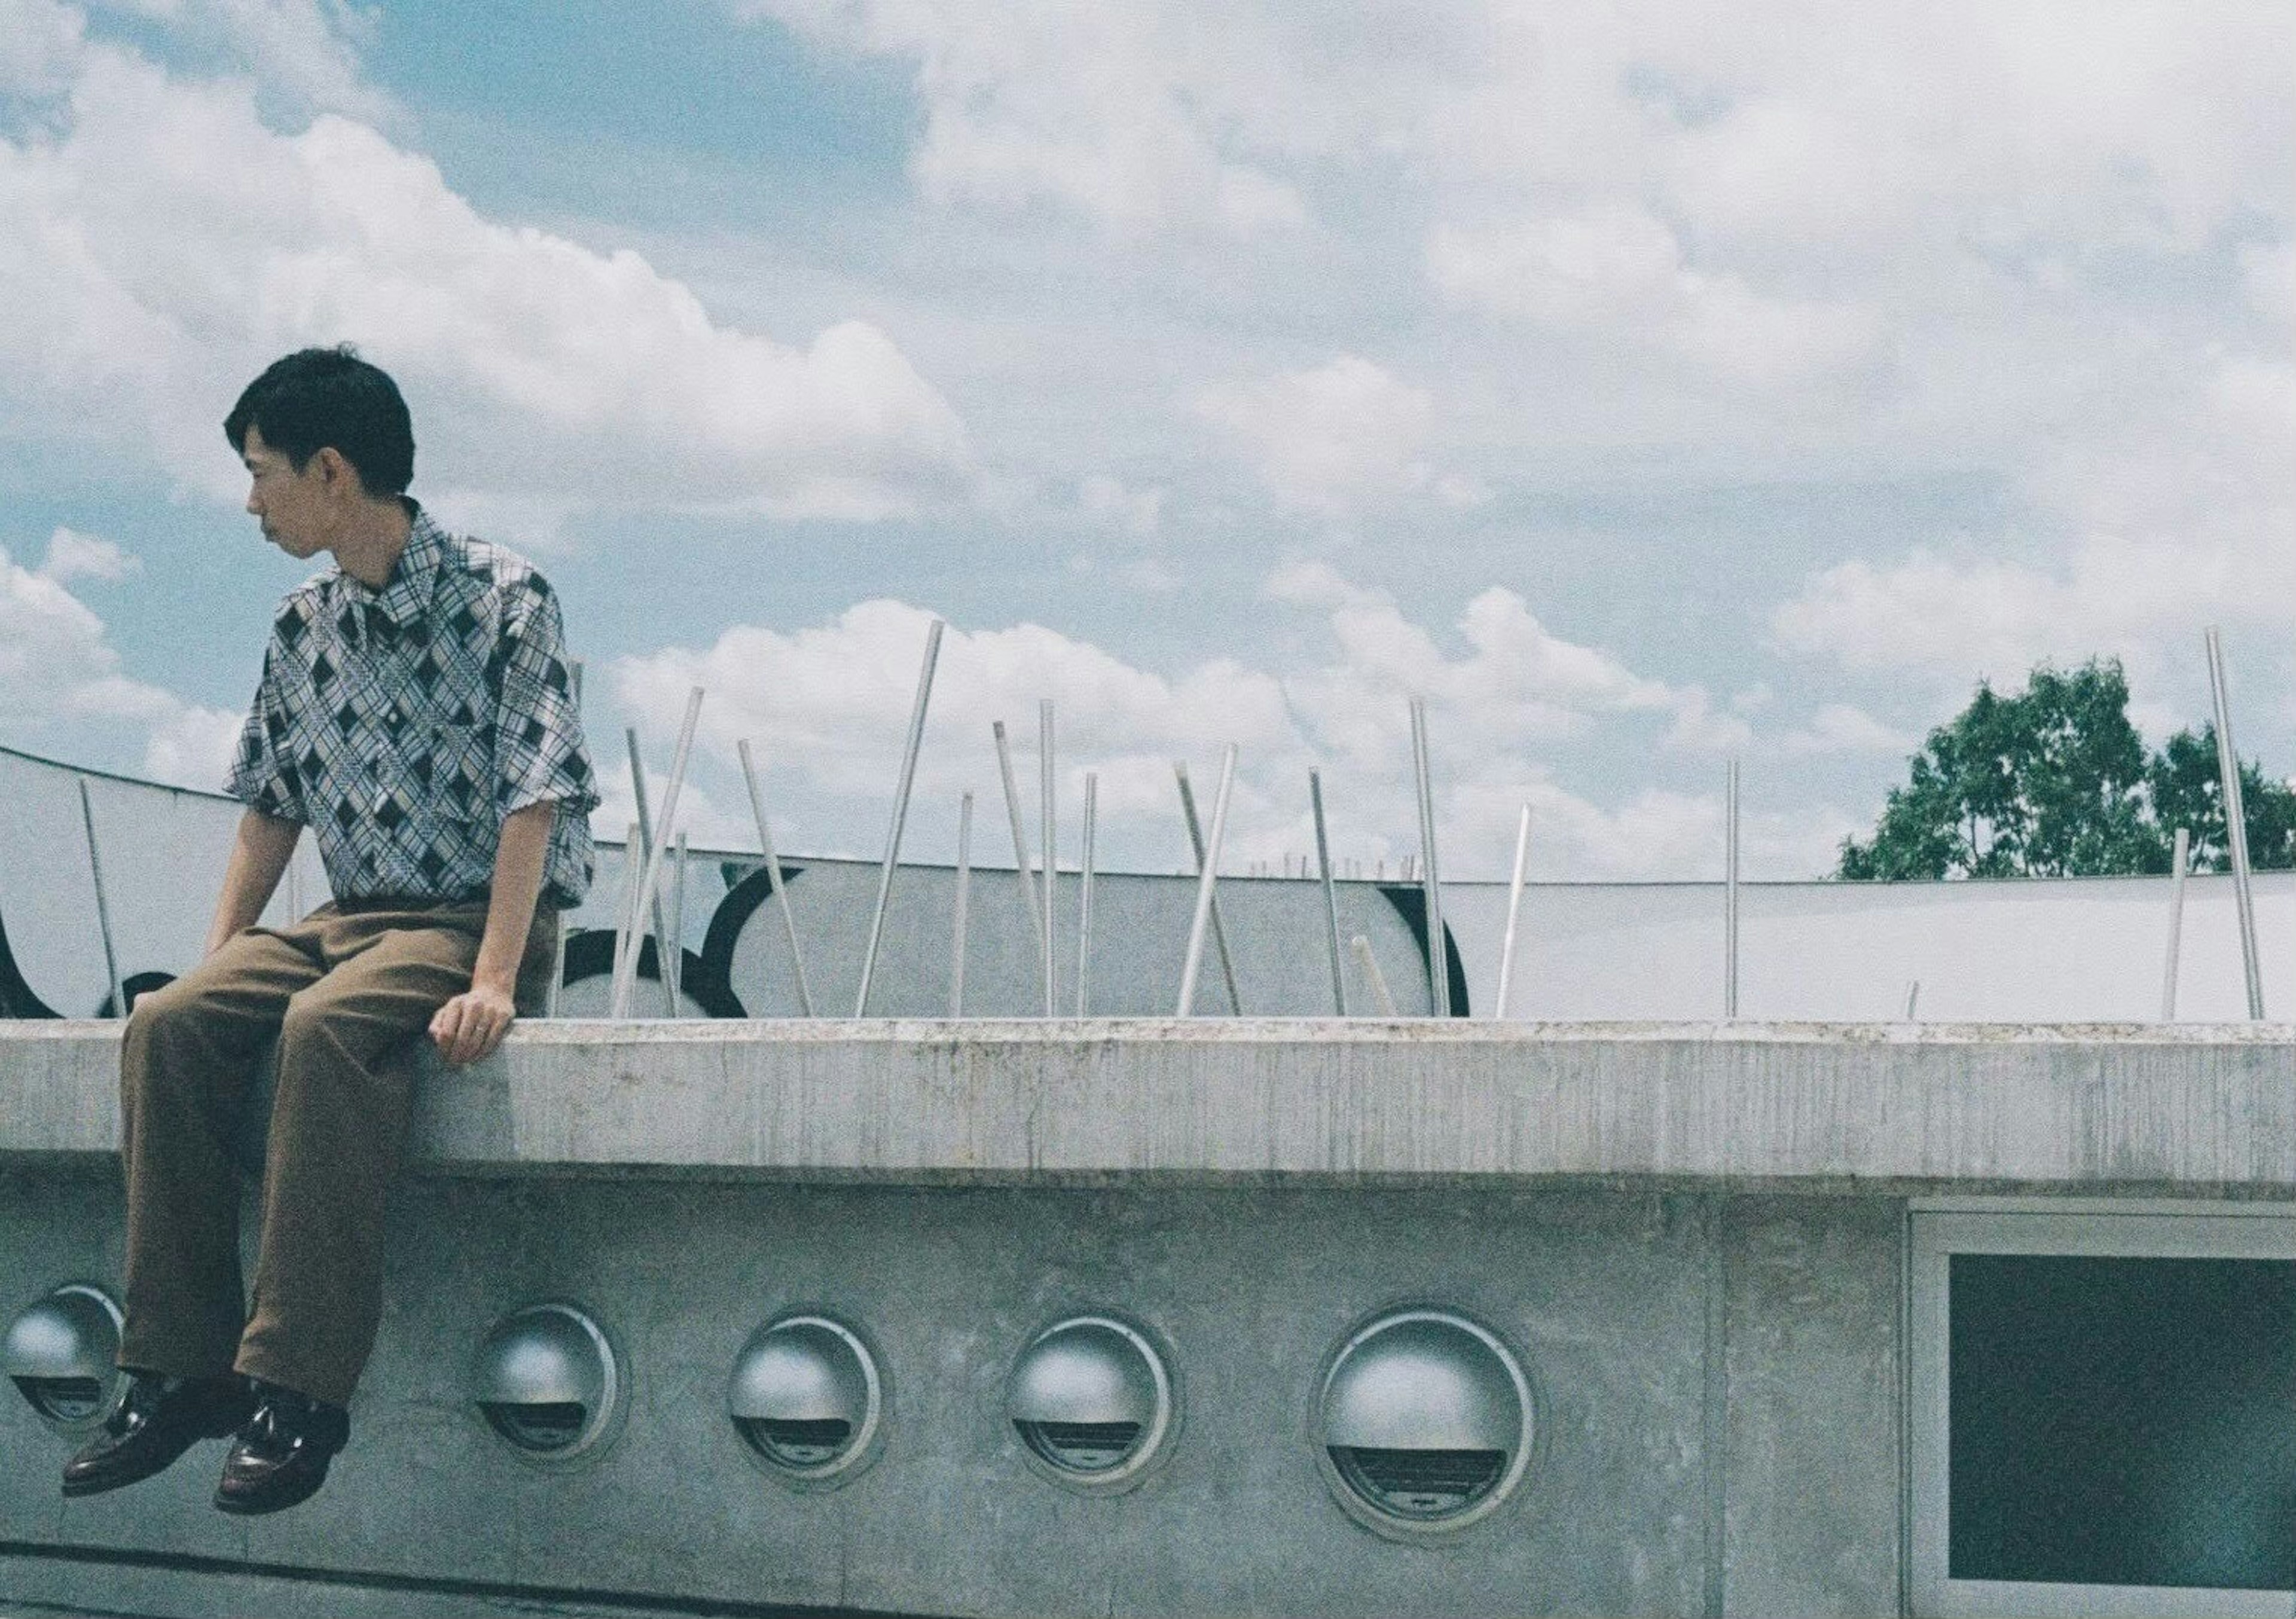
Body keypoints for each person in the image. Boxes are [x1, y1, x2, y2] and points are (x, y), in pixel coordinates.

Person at [61, 346, 599, 1515]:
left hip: (468, 915)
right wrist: (221, 962)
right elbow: (269, 805)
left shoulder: (509, 596)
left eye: (262, 473)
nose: (251, 500)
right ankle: (177, 1372)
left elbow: (534, 800)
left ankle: (298, 1394)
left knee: (323, 1031)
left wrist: (497, 979)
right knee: (169, 1024)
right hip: (348, 917)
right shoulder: (302, 624)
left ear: (333, 470)